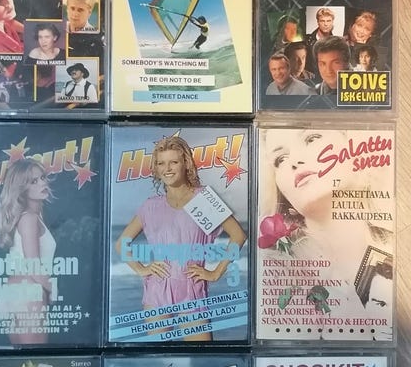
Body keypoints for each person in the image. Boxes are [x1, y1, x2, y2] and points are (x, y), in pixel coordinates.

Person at [259, 128, 394, 338]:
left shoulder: (399, 249)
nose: (294, 161)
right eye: (280, 159)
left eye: (312, 138)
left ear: (356, 147)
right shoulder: (276, 276)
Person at [115, 136, 247, 341]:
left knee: (202, 356)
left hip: (192, 290)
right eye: (161, 163)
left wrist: (215, 273)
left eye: (173, 162)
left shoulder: (203, 199)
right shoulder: (151, 206)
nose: (167, 168)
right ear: (156, 168)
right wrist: (142, 269)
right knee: (159, 357)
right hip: (157, 290)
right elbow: (121, 244)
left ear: (185, 164)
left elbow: (238, 235)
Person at [0, 159, 55, 344]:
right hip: (28, 292)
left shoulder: (34, 217)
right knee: (33, 355)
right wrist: (54, 291)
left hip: (16, 292)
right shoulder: (29, 219)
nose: (42, 183)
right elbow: (33, 266)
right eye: (34, 181)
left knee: (24, 356)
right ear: (22, 189)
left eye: (42, 177)